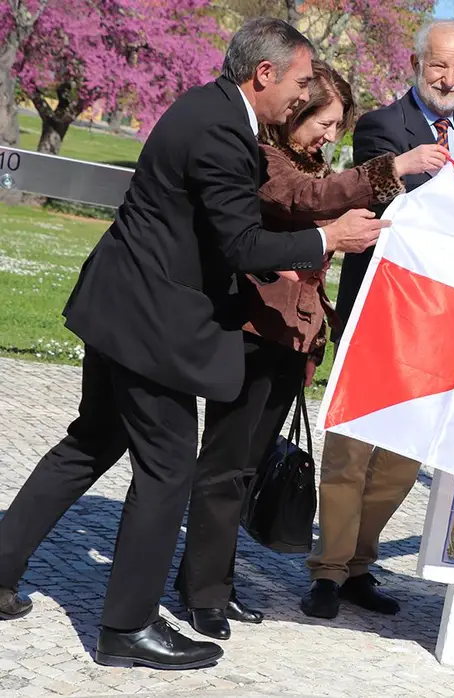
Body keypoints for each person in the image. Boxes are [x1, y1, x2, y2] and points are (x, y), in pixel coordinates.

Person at [0, 18, 386, 670]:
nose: (304, 94)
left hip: (122, 307)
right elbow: (240, 243)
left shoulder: (211, 109)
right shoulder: (221, 129)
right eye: (300, 82)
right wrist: (328, 239)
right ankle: (127, 628)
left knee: (90, 441)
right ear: (264, 73)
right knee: (168, 468)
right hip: (151, 322)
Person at [173, 60, 436, 641]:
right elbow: (307, 199)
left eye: (339, 127)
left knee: (246, 466)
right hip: (253, 332)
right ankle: (201, 591)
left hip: (291, 338)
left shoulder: (309, 162)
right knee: (225, 465)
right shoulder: (268, 159)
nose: (330, 136)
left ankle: (213, 579)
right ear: (296, 111)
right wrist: (395, 167)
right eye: (325, 123)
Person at [300, 18, 454, 620]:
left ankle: (361, 564)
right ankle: (328, 570)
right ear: (416, 63)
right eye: (439, 65)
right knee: (352, 448)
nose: (450, 78)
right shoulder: (383, 125)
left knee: (402, 456)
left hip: (441, 320)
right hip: (380, 308)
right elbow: (385, 203)